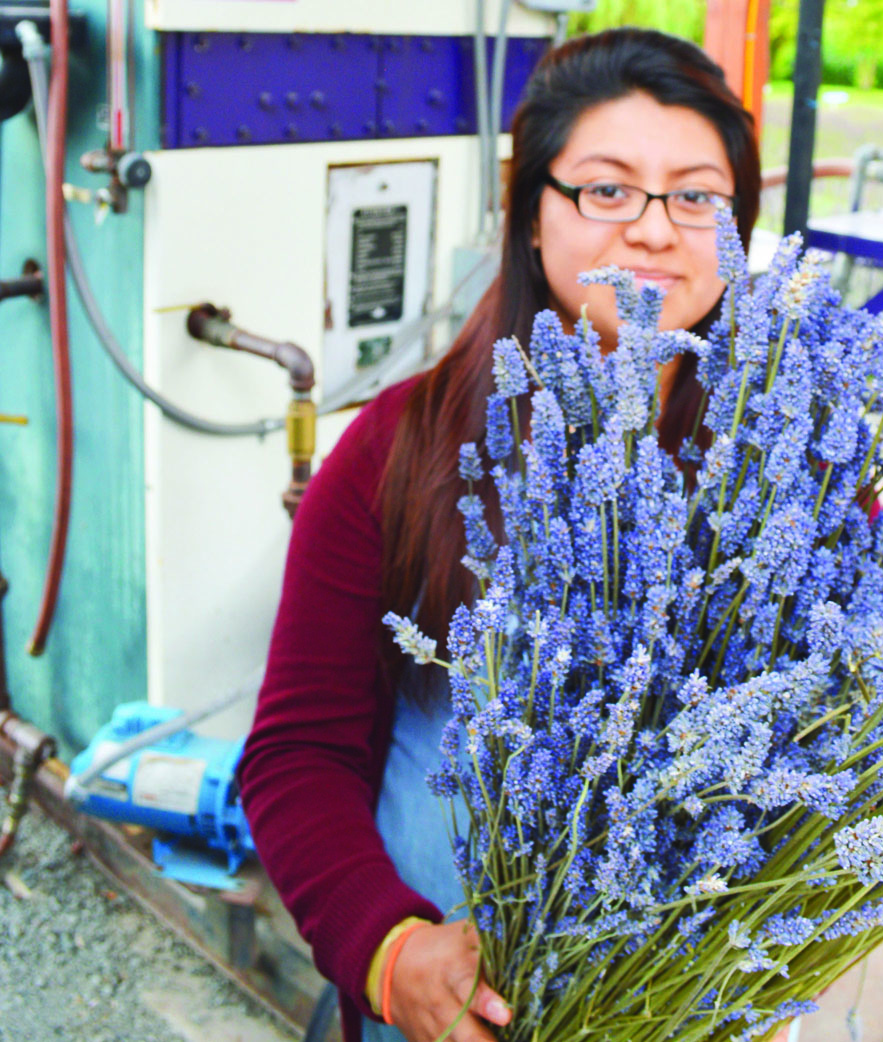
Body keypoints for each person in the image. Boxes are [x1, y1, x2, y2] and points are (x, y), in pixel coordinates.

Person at [237, 27, 761, 1042]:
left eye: (697, 195)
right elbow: (298, 756)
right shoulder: (402, 451)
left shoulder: (799, 477)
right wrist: (390, 953)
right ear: (531, 219)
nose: (655, 231)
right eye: (607, 190)